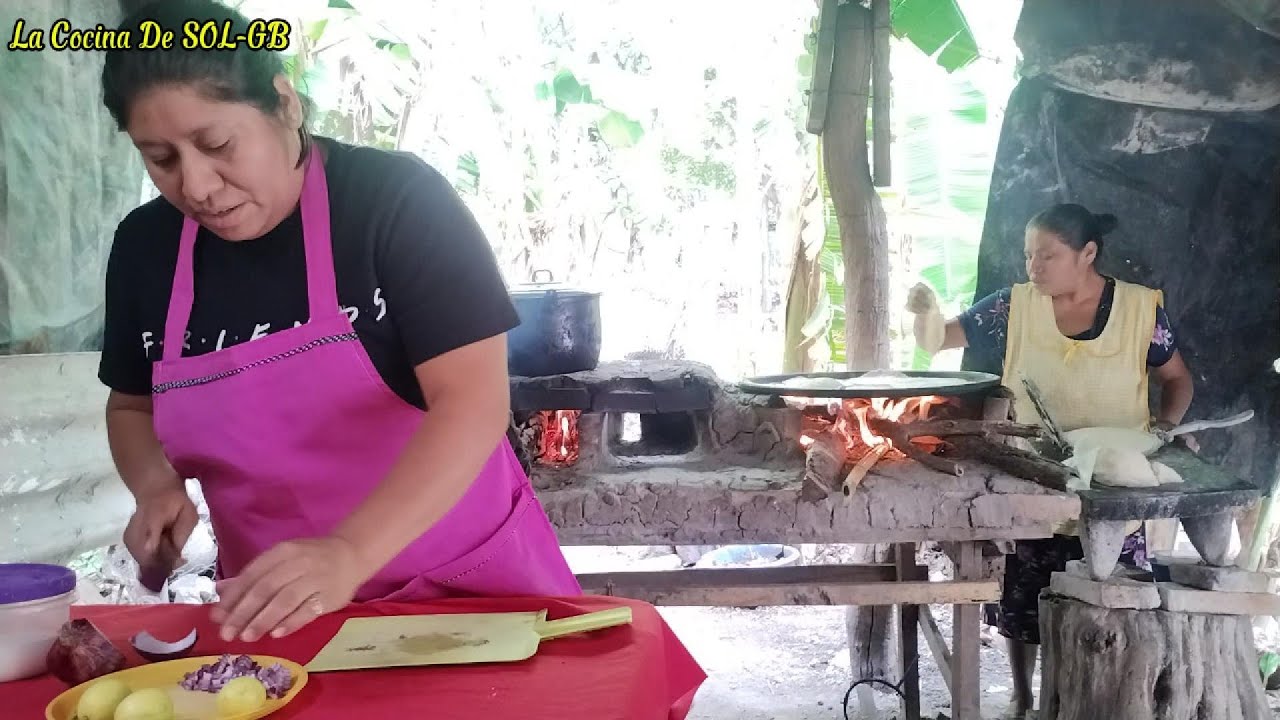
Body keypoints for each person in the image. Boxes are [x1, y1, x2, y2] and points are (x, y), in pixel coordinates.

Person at [97, 0, 581, 645]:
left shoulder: (394, 203)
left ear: (284, 104)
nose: (198, 186)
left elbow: (471, 403)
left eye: (217, 145)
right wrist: (154, 486)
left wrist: (350, 552)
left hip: (465, 593)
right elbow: (130, 407)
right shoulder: (144, 247)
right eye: (160, 159)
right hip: (281, 612)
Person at [906, 203, 1195, 718]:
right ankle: (1023, 696)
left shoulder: (1139, 312)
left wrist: (1166, 430)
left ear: (1087, 254)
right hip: (1033, 478)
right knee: (1022, 600)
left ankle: (1091, 702)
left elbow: (1177, 379)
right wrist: (924, 314)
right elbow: (942, 338)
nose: (1033, 268)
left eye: (1047, 256)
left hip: (1110, 484)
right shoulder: (1016, 306)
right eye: (1028, 256)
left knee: (1110, 597)